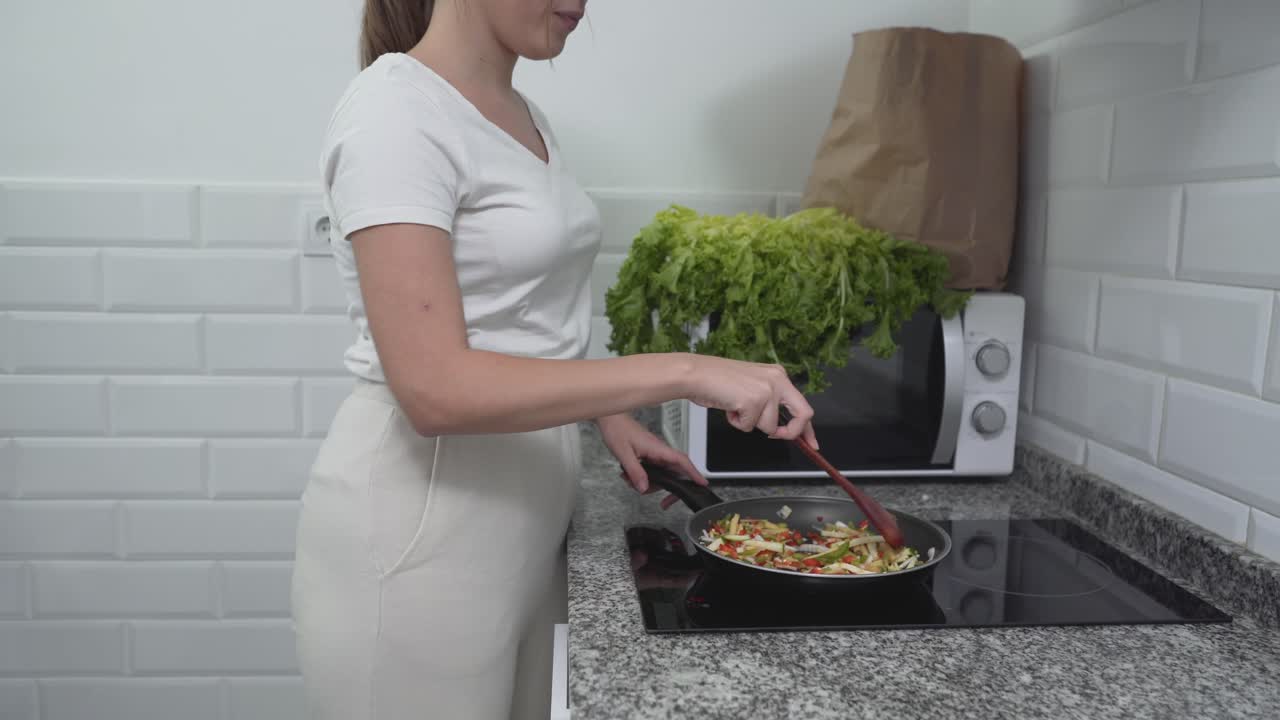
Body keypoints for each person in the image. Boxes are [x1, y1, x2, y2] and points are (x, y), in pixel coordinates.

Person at [289, 1, 818, 718]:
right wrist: (687, 370)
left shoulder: (521, 114)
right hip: (419, 530)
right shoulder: (393, 109)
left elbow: (520, 317)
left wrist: (610, 414)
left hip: (523, 521)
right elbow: (433, 389)